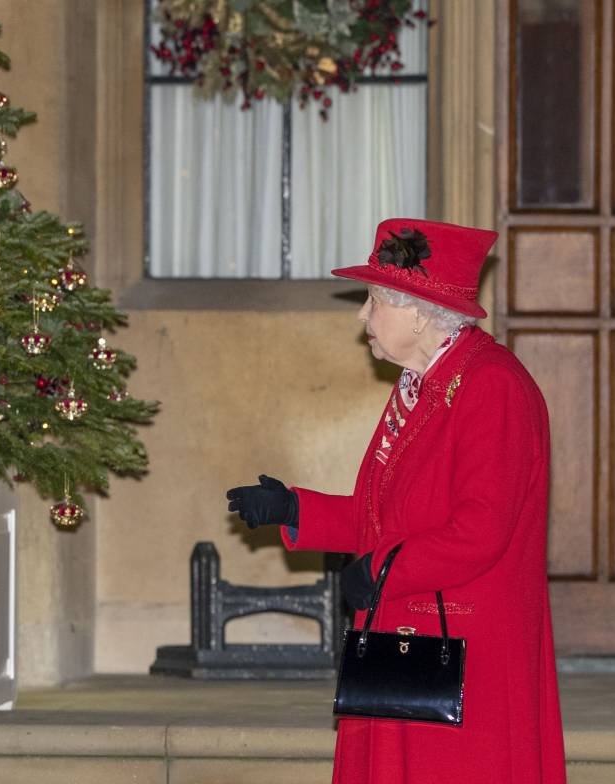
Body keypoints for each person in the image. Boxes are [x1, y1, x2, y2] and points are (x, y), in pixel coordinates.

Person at [226, 218, 567, 784]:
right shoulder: (422, 384)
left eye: (374, 299)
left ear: (419, 309)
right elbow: (377, 514)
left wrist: (383, 570)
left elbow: (481, 530)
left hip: (466, 652)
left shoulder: (491, 387)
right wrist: (293, 509)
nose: (363, 315)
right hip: (409, 635)